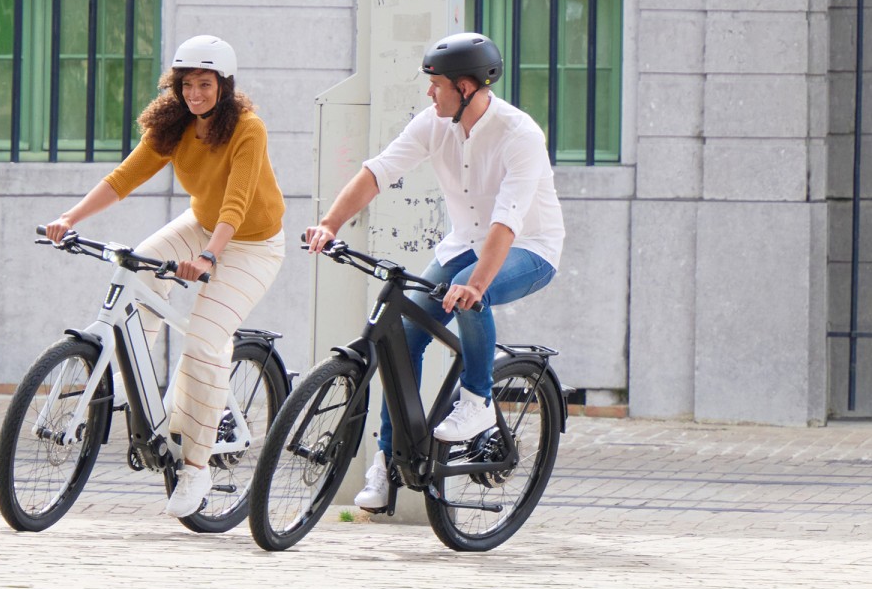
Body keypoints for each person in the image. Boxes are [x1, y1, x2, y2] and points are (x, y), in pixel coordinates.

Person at [304, 32, 564, 511]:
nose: (429, 93)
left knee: (469, 292)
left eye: (436, 84)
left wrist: (476, 285)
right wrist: (328, 224)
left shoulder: (520, 135)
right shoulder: (434, 123)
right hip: (462, 245)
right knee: (402, 341)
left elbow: (507, 222)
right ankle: (386, 463)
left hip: (530, 248)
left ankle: (478, 401)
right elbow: (378, 172)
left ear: (467, 87)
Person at [44, 35, 286, 518]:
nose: (194, 94)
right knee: (133, 271)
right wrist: (70, 218)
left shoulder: (247, 128)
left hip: (250, 243)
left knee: (201, 342)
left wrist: (211, 257)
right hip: (200, 224)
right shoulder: (173, 125)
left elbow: (237, 202)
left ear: (223, 85)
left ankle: (197, 466)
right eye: (186, 84)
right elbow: (124, 178)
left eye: (204, 84)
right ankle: (150, 400)